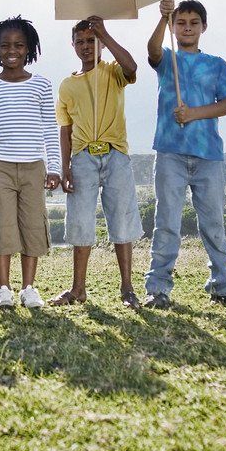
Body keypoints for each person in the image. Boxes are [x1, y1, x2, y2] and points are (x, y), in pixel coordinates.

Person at [143, 0, 226, 309]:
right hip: (171, 152)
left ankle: (223, 284)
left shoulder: (216, 64)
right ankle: (158, 288)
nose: (188, 28)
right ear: (173, 27)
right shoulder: (167, 58)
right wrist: (162, 18)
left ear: (203, 27)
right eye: (181, 23)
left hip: (208, 154)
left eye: (194, 23)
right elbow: (152, 51)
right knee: (167, 220)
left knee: (213, 222)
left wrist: (193, 113)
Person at [52, 17, 142, 308]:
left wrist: (104, 31)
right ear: (73, 44)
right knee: (80, 221)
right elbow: (64, 129)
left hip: (115, 153)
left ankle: (127, 288)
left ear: (100, 44)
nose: (86, 47)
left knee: (121, 219)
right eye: (81, 41)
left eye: (92, 41)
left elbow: (132, 67)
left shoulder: (114, 72)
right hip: (82, 157)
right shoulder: (67, 85)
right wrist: (65, 168)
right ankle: (78, 289)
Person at [0, 16, 61, 309]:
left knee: (32, 225)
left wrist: (55, 168)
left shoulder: (42, 85)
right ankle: (3, 289)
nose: (12, 50)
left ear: (29, 49)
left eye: (19, 45)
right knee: (3, 225)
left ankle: (28, 288)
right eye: (5, 46)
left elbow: (50, 128)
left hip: (34, 166)